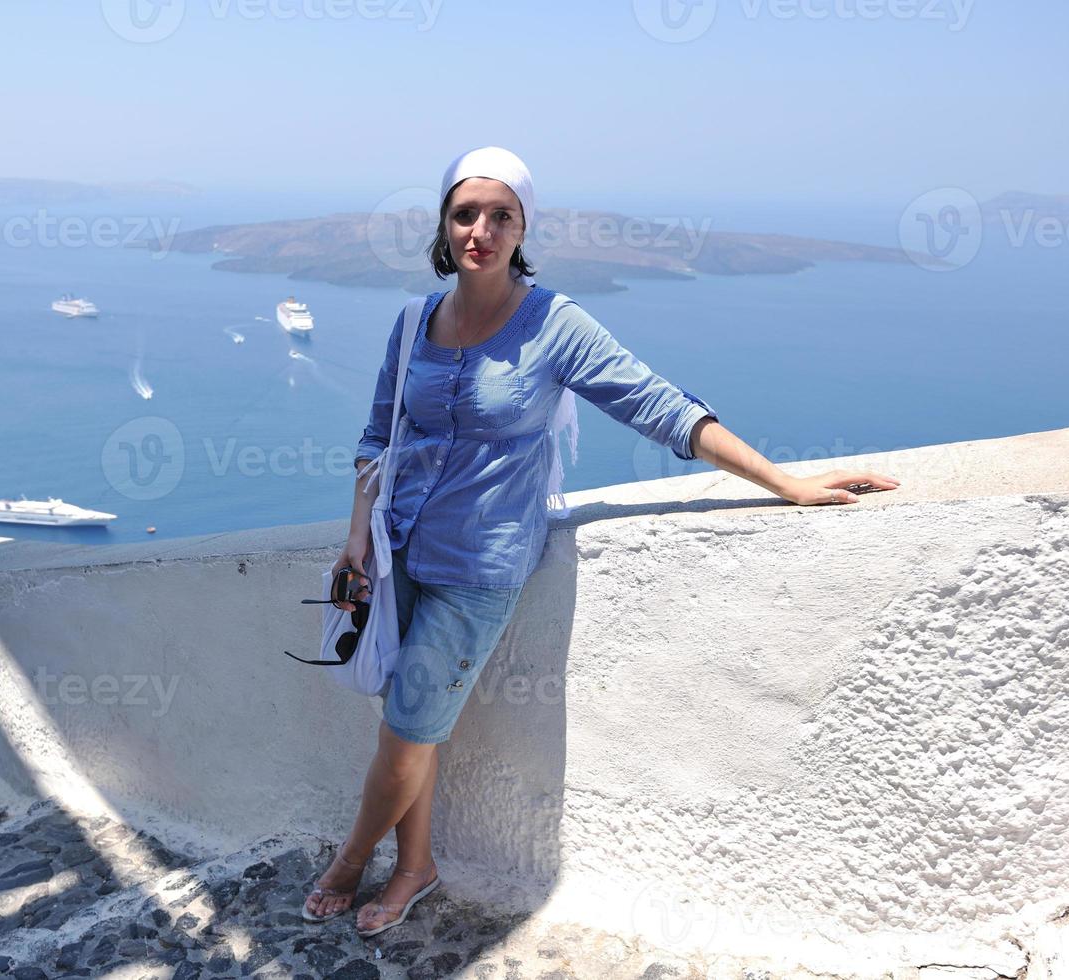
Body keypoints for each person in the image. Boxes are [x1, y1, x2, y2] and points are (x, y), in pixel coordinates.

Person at [303, 146, 901, 936]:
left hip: (481, 563)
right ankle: (415, 867)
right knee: (412, 725)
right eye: (464, 214)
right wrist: (357, 537)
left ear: (523, 227)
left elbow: (659, 406)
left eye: (500, 215)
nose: (480, 230)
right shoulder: (415, 320)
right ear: (443, 228)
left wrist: (784, 484)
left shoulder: (554, 324)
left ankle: (349, 861)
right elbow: (379, 435)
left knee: (407, 726)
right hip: (400, 547)